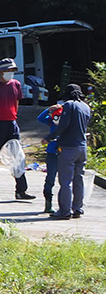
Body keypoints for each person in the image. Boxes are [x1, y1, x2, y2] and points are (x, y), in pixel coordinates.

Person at [0, 58, 34, 202]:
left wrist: (13, 118)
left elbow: (16, 103)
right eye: (8, 70)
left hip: (11, 124)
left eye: (12, 70)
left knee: (18, 157)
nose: (11, 73)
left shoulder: (16, 84)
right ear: (1, 72)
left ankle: (21, 190)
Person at [49, 84, 91, 220]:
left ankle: (64, 211)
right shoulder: (86, 107)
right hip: (82, 148)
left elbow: (64, 124)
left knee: (65, 181)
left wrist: (49, 137)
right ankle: (78, 209)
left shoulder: (69, 105)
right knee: (79, 179)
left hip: (68, 148)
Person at [36, 101, 64, 213]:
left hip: (64, 152)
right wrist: (49, 109)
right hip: (52, 152)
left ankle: (64, 205)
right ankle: (48, 204)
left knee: (65, 181)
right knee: (50, 179)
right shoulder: (51, 122)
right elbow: (40, 118)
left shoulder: (66, 122)